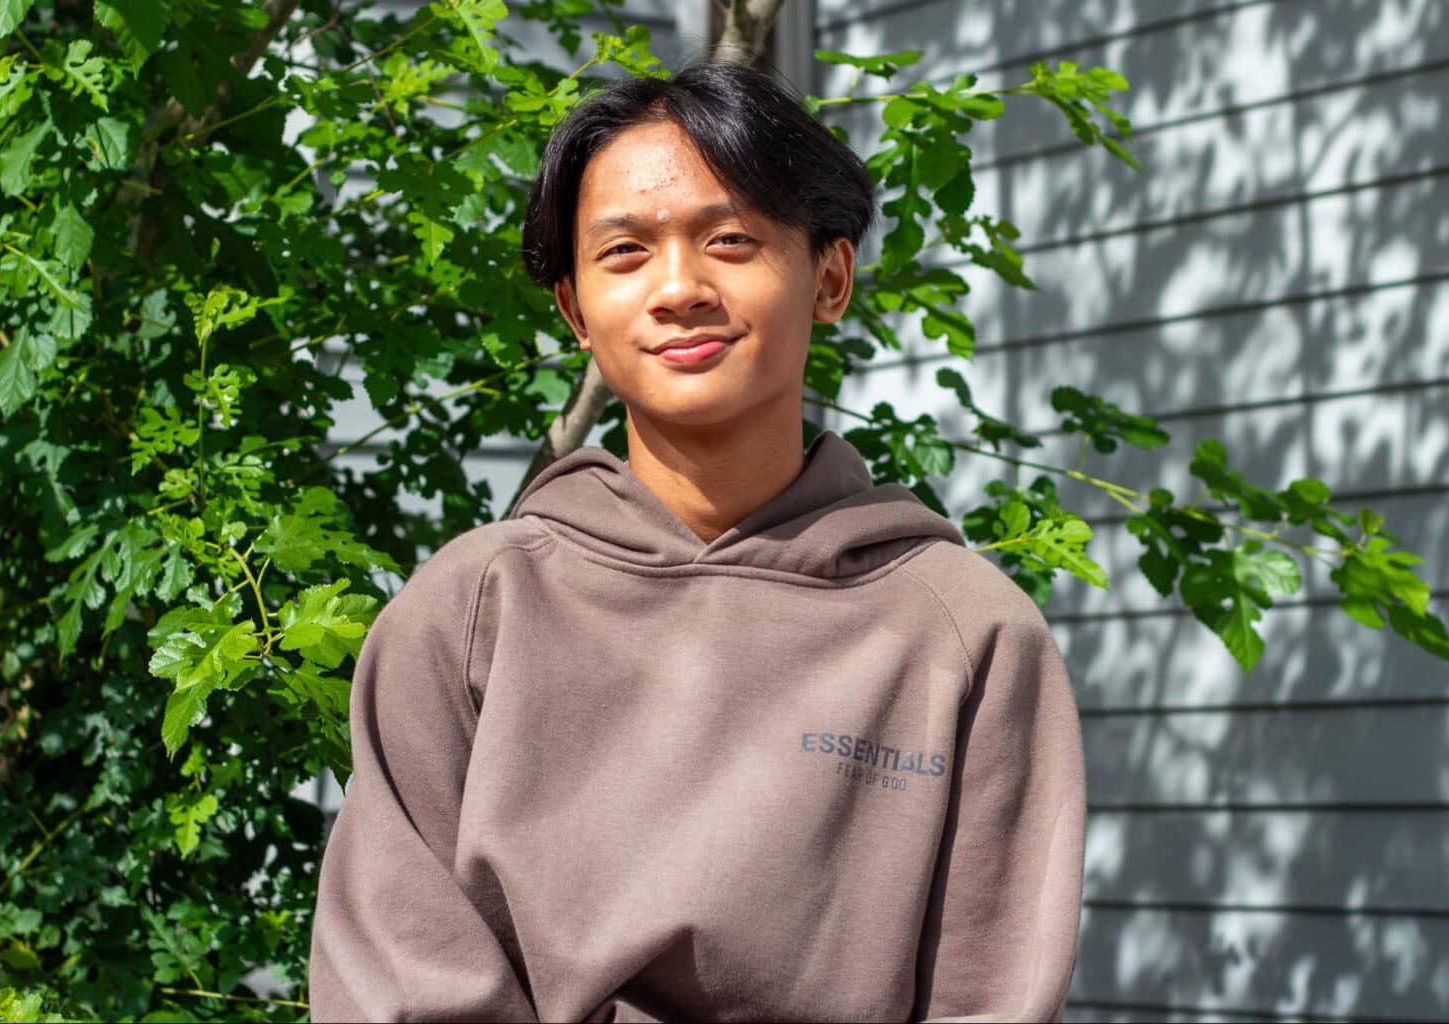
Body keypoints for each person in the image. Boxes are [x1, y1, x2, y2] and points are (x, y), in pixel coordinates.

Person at [307, 61, 1086, 1023]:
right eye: (625, 253)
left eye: (728, 240)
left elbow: (990, 997)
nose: (678, 289)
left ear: (828, 276)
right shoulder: (473, 611)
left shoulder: (964, 633)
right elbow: (396, 983)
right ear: (575, 311)